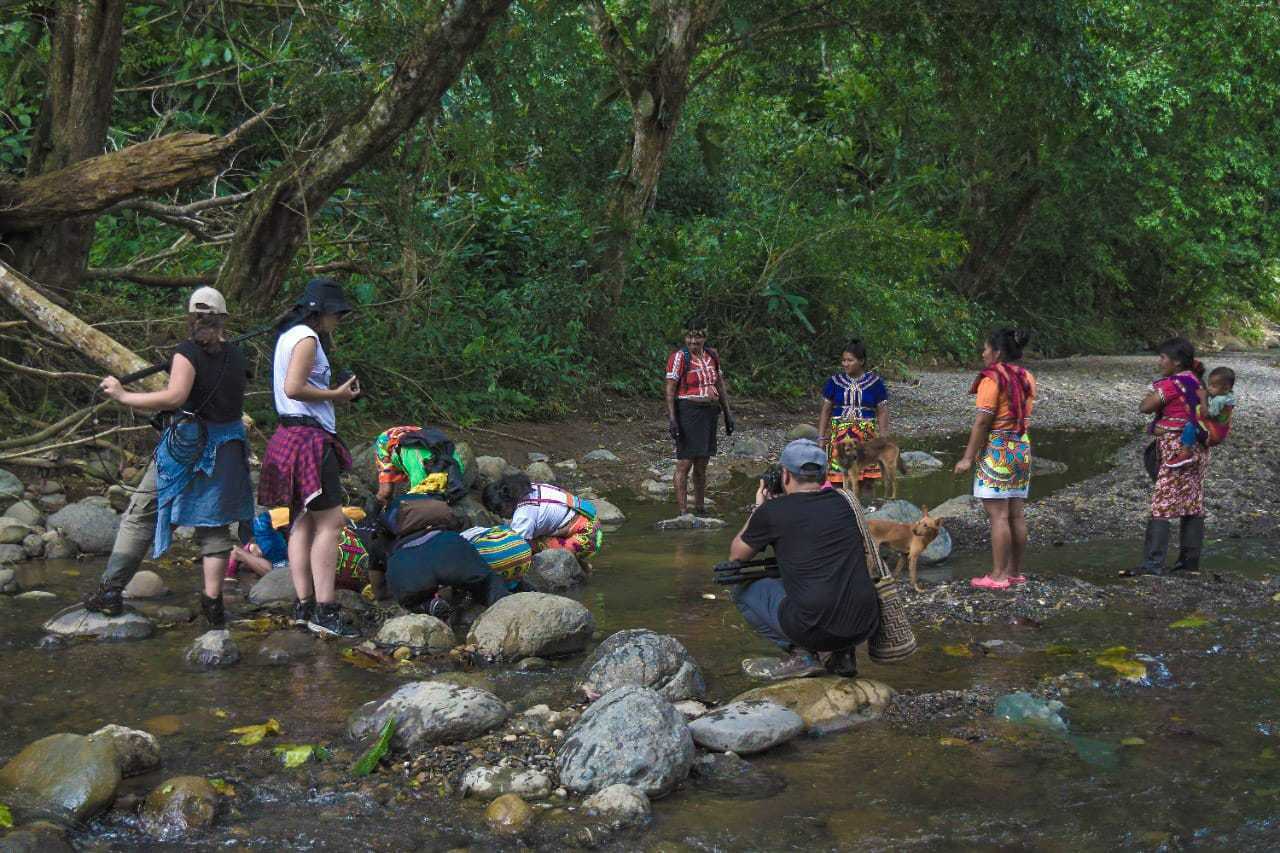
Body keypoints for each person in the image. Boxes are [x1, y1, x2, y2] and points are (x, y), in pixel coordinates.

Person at [82, 287, 254, 628]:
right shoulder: (237, 356)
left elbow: (175, 396)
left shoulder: (187, 352)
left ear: (191, 318)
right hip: (229, 446)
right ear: (223, 319)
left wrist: (123, 395)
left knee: (141, 512)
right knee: (214, 526)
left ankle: (110, 593)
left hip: (187, 446)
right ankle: (213, 606)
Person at [257, 277, 361, 637]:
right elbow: (293, 388)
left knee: (301, 521)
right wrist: (338, 394)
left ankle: (303, 606)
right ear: (323, 312)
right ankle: (326, 610)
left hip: (288, 436)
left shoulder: (287, 335)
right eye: (338, 314)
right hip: (309, 440)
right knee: (331, 524)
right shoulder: (307, 338)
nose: (339, 321)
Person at [728, 439, 881, 680]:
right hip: (864, 623)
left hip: (816, 628)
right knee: (832, 575)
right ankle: (843, 656)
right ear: (822, 476)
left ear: (786, 475)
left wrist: (760, 509)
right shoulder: (846, 502)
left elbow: (737, 555)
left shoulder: (773, 512)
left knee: (742, 590)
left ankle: (803, 655)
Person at [953, 329, 1036, 591]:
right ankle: (1014, 572)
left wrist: (967, 457)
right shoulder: (1027, 377)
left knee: (998, 517)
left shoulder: (991, 380)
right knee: (1017, 515)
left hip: (998, 449)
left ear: (997, 352)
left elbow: (982, 421)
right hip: (1021, 447)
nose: (983, 353)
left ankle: (998, 576)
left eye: (986, 348)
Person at [1127, 337, 1209, 575]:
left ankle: (1153, 564)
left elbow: (1145, 407)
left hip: (1176, 448)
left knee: (1162, 504)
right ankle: (1189, 563)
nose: (1160, 361)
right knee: (1193, 502)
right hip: (1198, 448)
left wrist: (1154, 419)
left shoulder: (1172, 384)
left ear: (1176, 362)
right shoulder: (1196, 381)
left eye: (1163, 358)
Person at [665, 318, 734, 516]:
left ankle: (700, 507)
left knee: (702, 463)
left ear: (705, 338)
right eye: (689, 338)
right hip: (688, 412)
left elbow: (719, 384)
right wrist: (672, 419)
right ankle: (683, 511)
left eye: (697, 338)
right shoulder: (679, 358)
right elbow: (670, 389)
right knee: (685, 462)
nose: (693, 342)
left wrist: (728, 414)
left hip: (709, 413)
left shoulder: (712, 356)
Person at [817, 339, 890, 497]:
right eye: (843, 360)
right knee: (837, 477)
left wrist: (884, 437)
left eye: (850, 360)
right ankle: (840, 510)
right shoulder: (835, 382)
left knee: (867, 478)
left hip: (866, 436)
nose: (845, 364)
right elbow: (826, 410)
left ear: (861, 361)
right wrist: (821, 437)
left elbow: (882, 411)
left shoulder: (875, 383)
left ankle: (866, 512)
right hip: (840, 437)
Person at [481, 474, 603, 561]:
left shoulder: (524, 514)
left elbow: (515, 546)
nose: (499, 515)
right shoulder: (531, 488)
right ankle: (581, 564)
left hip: (587, 537)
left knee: (529, 546)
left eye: (498, 510)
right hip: (589, 518)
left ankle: (575, 560)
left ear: (508, 502)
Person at [373, 424, 468, 506]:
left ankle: (374, 515)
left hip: (416, 437)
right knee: (386, 492)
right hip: (391, 441)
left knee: (419, 499)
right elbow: (386, 491)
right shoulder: (456, 465)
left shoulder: (454, 467)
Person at [1167, 365, 1235, 467]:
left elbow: (1207, 414)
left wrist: (1203, 398)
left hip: (1213, 434)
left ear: (1226, 388)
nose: (1209, 388)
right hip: (1222, 430)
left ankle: (1186, 452)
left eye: (1213, 386)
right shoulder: (1229, 396)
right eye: (1209, 384)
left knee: (1191, 424)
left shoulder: (1219, 400)